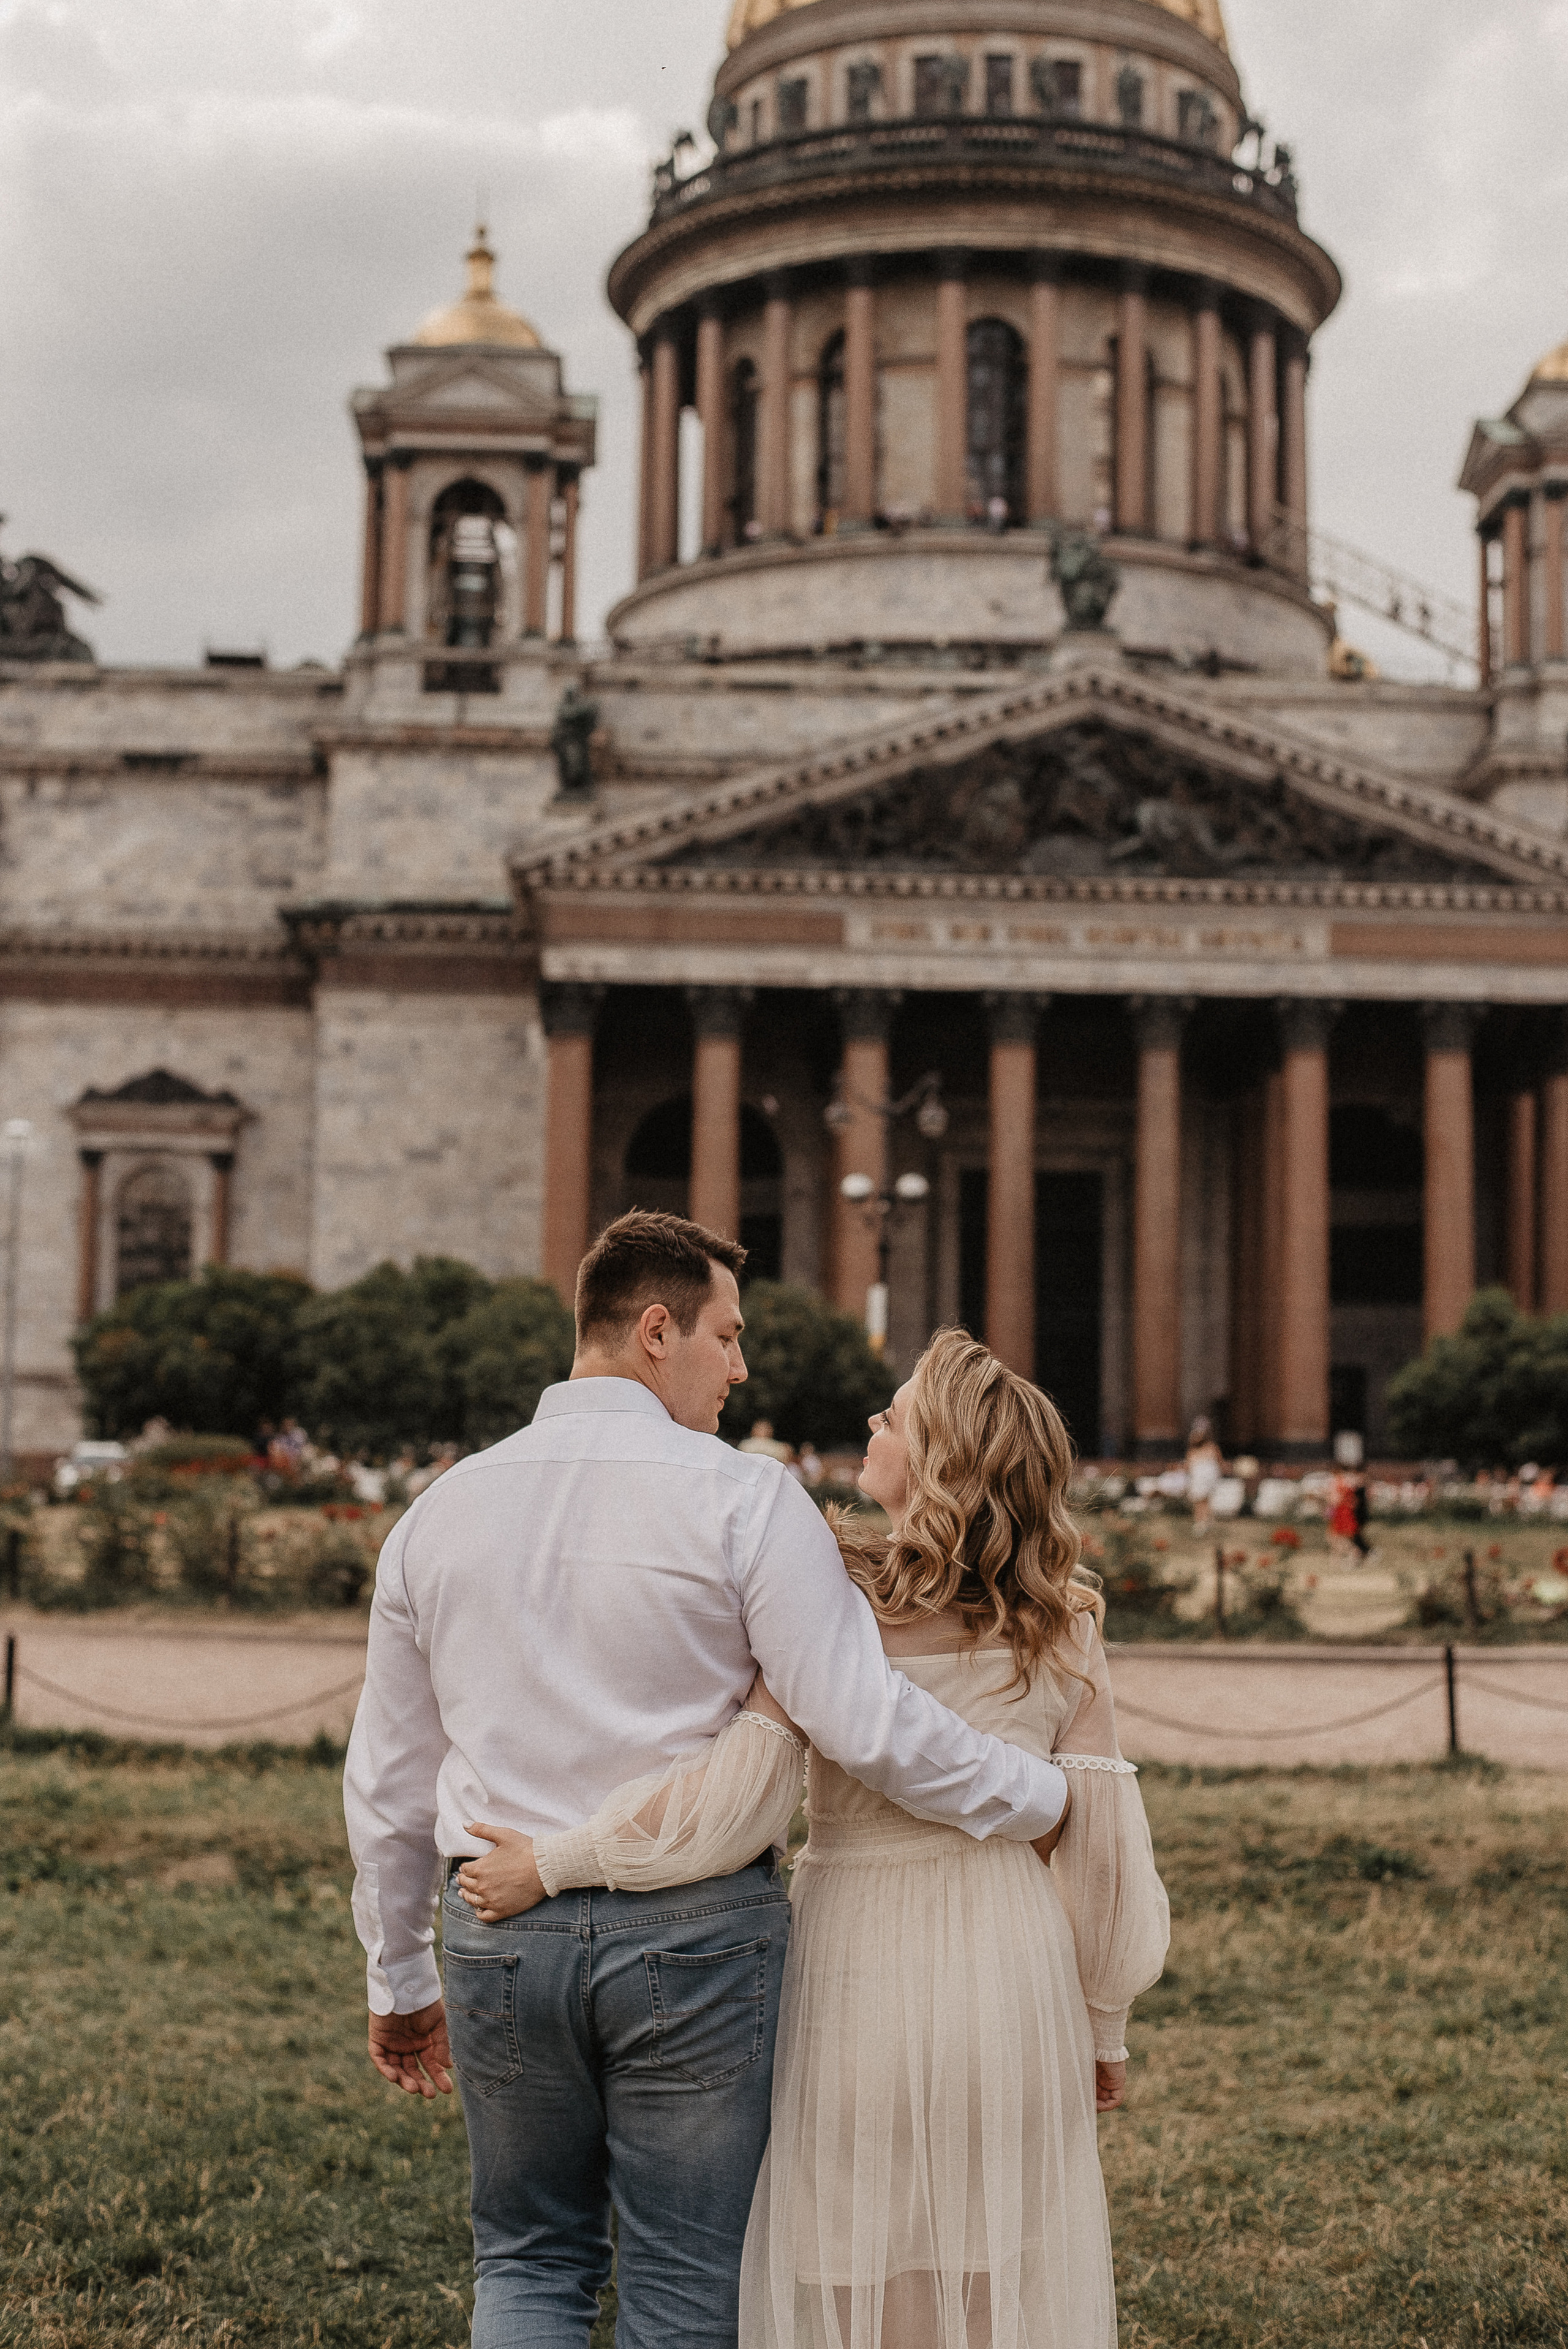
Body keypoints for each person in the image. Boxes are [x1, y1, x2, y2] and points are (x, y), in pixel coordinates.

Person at [344, 1213, 1069, 2349]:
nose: (742, 1365)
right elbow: (856, 1713)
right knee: (687, 2283)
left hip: (498, 1925)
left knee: (529, 2260)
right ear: (653, 1328)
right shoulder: (745, 1497)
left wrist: (398, 1975)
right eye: (727, 1336)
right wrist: (1036, 1795)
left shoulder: (436, 1514)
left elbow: (389, 1781)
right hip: (696, 1941)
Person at [462, 1330, 1169, 2349]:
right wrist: (1103, 2025)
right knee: (989, 2266)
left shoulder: (836, 1610)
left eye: (897, 1412)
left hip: (858, 1967)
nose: (874, 1420)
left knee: (851, 2265)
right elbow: (1101, 1849)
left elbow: (740, 1792)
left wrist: (556, 1858)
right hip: (1013, 1976)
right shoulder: (1065, 1621)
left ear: (941, 1461)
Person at [1185, 1414, 1224, 1530]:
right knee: (1198, 1501)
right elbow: (1189, 1465)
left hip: (1208, 1478)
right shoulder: (1192, 1451)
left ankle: (1206, 1522)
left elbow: (1219, 1462)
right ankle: (1200, 1521)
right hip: (1198, 1478)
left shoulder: (1212, 1448)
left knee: (1205, 1500)